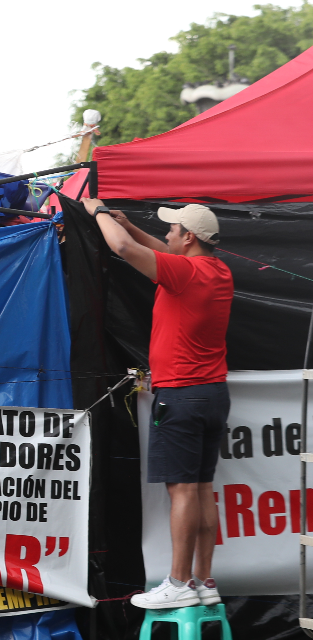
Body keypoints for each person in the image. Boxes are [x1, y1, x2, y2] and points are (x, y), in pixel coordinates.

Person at [83, 198, 233, 610]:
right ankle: (204, 580)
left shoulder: (184, 273)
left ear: (189, 237)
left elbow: (125, 251)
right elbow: (161, 252)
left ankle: (179, 582)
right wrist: (129, 225)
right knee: (202, 489)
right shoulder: (217, 271)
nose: (167, 234)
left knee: (182, 491)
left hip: (182, 396)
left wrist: (97, 213)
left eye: (172, 229)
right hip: (211, 394)